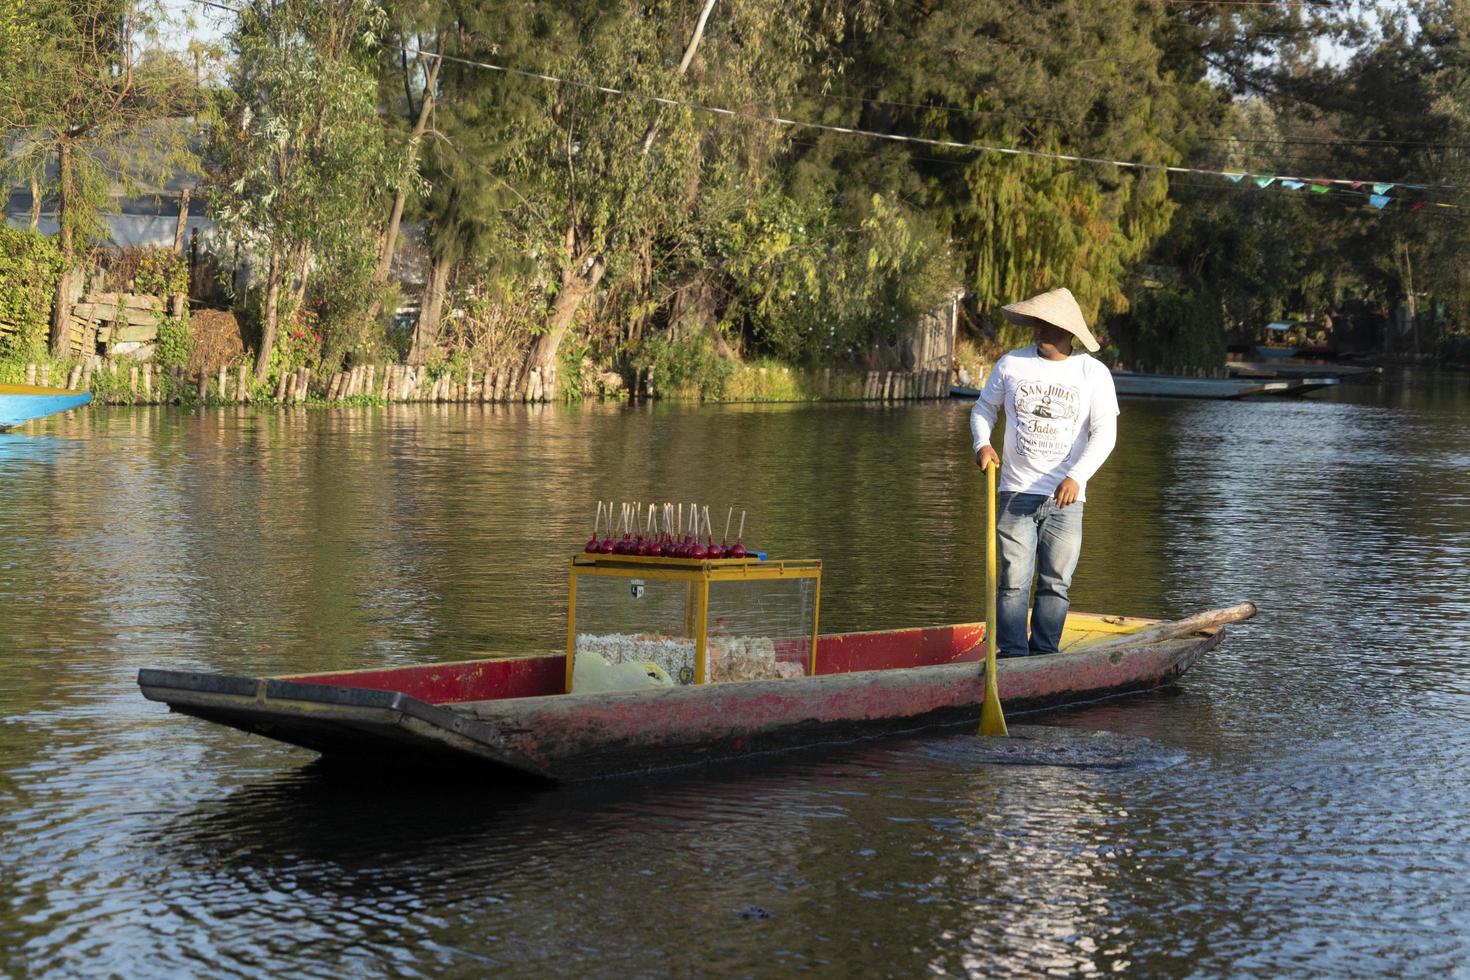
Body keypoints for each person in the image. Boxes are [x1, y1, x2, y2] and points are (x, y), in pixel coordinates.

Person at [969, 287, 1119, 658]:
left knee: (1055, 584)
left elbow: (1105, 435)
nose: (1040, 328)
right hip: (1016, 493)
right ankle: (1011, 655)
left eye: (1049, 323)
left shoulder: (1092, 372)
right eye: (1037, 321)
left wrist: (1077, 477)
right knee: (1012, 584)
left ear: (1068, 330)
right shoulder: (1011, 364)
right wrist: (982, 444)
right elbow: (983, 410)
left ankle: (1044, 657)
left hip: (1066, 499)